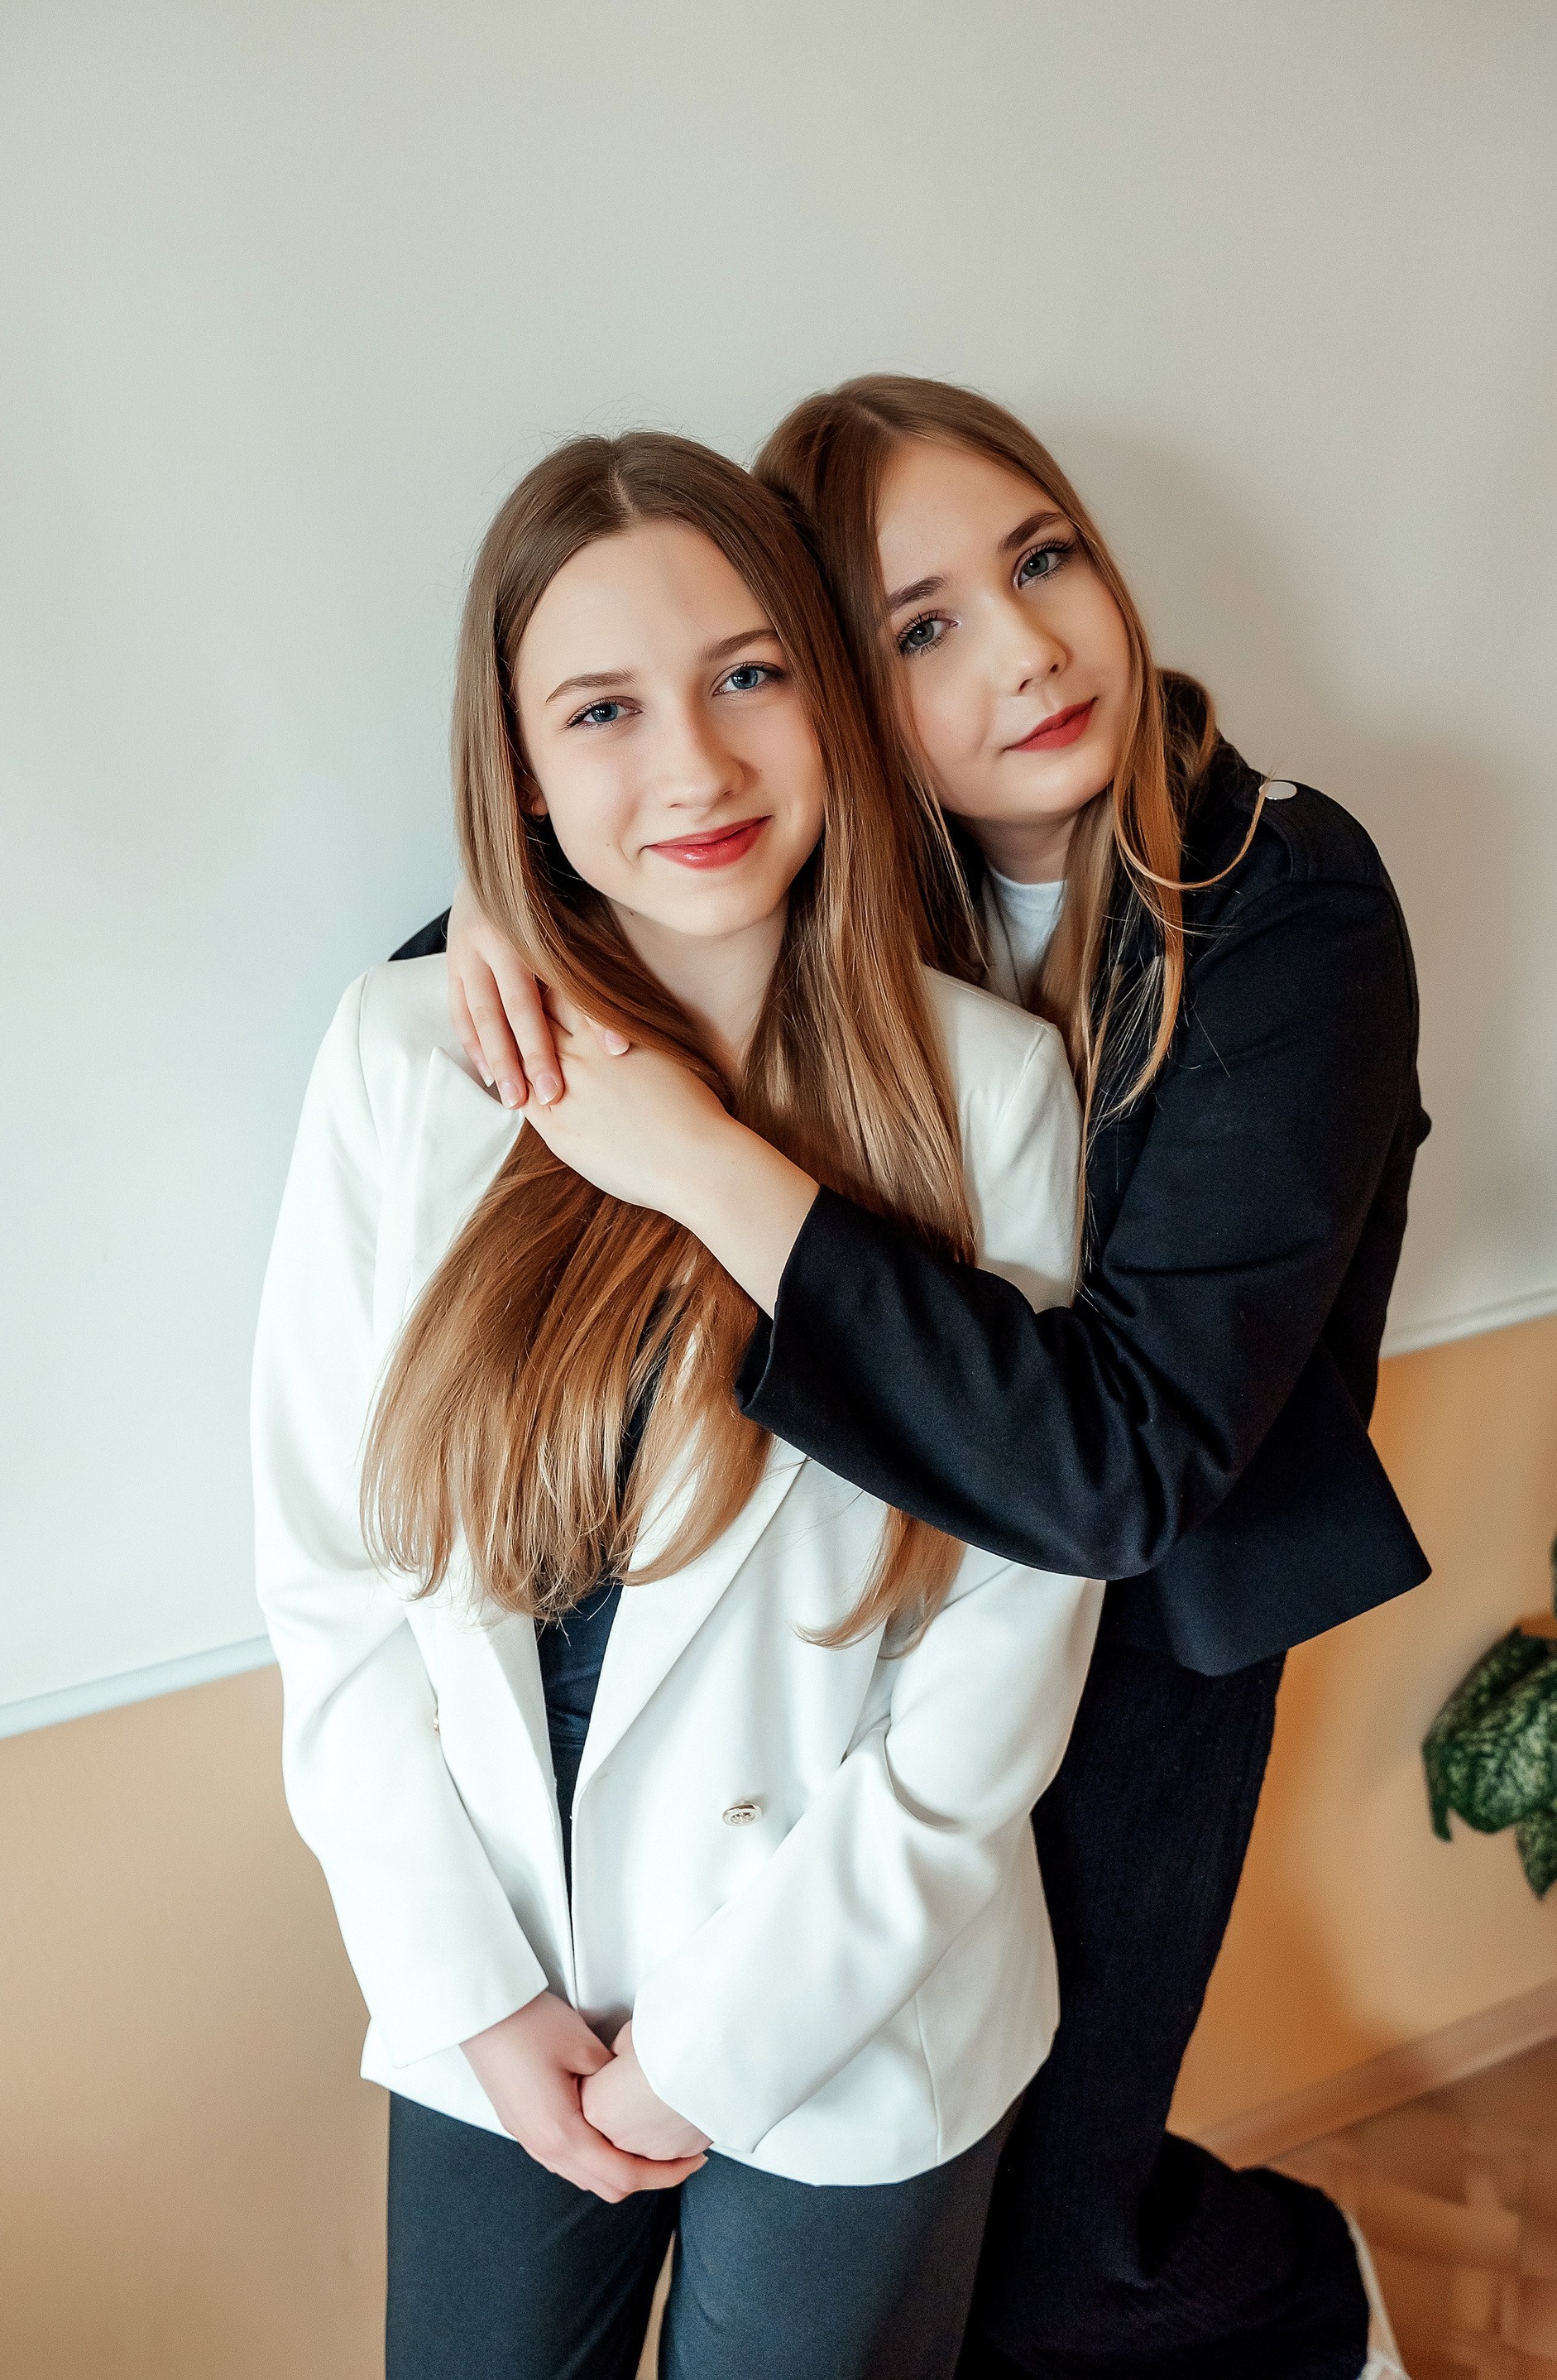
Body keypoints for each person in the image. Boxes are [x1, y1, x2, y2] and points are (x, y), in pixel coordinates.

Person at [414, 377, 1429, 2380]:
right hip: (872, 1637)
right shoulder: (877, 881)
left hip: (1147, 1646)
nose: (1029, 648)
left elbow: (1127, 1462)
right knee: (867, 2195)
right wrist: (479, 924)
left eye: (1043, 559)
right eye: (923, 625)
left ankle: (1314, 2303)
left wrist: (703, 1160)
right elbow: (633, 860)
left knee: (1047, 2238)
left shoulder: (1288, 899)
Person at [254, 428, 1104, 2380]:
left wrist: (715, 2048)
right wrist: (467, 1990)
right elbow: (327, 1575)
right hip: (498, 1977)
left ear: (828, 695)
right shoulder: (403, 1059)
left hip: (852, 1994)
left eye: (748, 675)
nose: (697, 767)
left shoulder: (991, 1092)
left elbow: (1001, 1657)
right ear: (520, 772)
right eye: (604, 710)